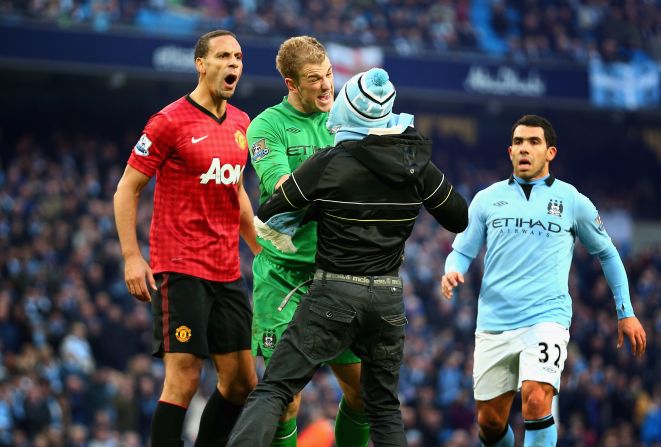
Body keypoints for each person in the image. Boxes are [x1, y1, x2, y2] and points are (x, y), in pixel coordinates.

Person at [228, 67, 468, 446]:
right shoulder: (416, 163)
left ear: (347, 111)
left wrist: (314, 201)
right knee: (383, 407)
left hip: (334, 293)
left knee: (276, 389)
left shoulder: (331, 161)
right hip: (387, 299)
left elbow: (275, 207)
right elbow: (458, 216)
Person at [440, 114, 647, 447]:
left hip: (546, 318)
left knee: (536, 401)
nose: (525, 148)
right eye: (519, 142)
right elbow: (461, 251)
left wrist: (625, 310)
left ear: (550, 152)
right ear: (510, 151)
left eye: (534, 142)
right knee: (489, 424)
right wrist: (452, 269)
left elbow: (607, 254)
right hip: (494, 321)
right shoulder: (486, 199)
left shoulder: (572, 201)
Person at [113, 30, 260, 447]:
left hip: (226, 270)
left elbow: (237, 193)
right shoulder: (169, 121)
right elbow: (127, 188)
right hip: (179, 267)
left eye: (238, 56)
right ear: (201, 64)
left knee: (240, 382)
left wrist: (261, 250)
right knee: (184, 378)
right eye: (223, 56)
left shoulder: (241, 123)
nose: (233, 63)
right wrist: (131, 257)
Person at [246, 35, 369, 446]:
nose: (326, 85)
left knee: (364, 394)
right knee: (287, 399)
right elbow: (282, 188)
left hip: (338, 276)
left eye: (330, 74)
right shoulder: (266, 126)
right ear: (291, 84)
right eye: (314, 78)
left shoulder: (348, 122)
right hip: (284, 276)